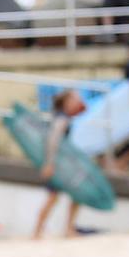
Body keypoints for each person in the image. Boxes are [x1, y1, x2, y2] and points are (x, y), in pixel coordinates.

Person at [33, 88, 91, 239]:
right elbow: (53, 140)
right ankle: (39, 231)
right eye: (75, 99)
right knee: (54, 197)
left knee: (72, 195)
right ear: (67, 101)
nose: (78, 102)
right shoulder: (62, 118)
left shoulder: (63, 116)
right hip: (60, 165)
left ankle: (65, 229)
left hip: (64, 163)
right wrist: (50, 163)